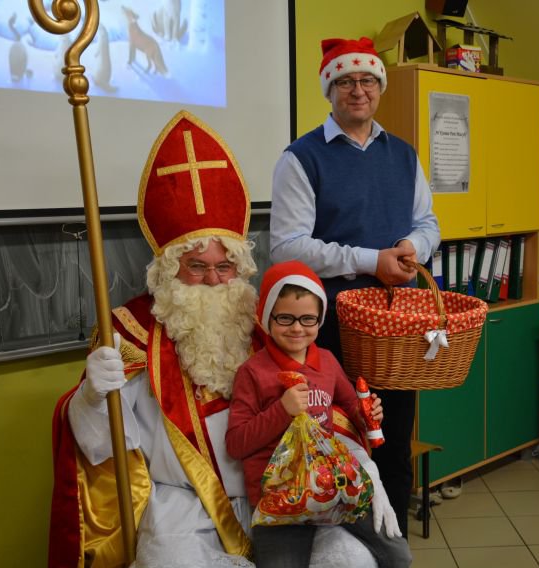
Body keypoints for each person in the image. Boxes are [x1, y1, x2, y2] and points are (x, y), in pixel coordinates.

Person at [48, 111, 379, 568]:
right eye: (197, 267)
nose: (212, 280)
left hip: (283, 488)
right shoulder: (131, 333)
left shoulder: (265, 324)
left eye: (224, 267)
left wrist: (362, 453)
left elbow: (326, 404)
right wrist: (91, 397)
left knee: (351, 560)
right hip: (183, 506)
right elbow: (101, 446)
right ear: (169, 269)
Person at [269, 37, 441, 535]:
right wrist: (371, 260)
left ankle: (393, 548)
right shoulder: (301, 157)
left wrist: (410, 247)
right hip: (330, 331)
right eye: (345, 81)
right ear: (330, 90)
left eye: (367, 80)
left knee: (393, 441)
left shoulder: (403, 155)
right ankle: (343, 551)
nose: (358, 90)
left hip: (395, 327)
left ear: (380, 88)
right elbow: (287, 247)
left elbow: (428, 223)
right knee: (339, 438)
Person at [226, 260, 411, 568]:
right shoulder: (252, 372)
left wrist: (368, 415)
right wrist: (281, 411)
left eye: (307, 319)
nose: (297, 328)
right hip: (280, 499)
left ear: (320, 319)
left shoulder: (326, 361)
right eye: (285, 318)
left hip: (333, 486)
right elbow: (236, 444)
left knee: (398, 554)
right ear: (267, 317)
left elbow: (352, 408)